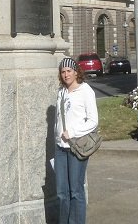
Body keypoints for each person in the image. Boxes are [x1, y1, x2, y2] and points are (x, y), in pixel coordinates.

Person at [55, 56, 98, 224]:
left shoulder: (86, 91)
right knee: (61, 193)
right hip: (60, 148)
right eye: (63, 72)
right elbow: (58, 121)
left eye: (69, 71)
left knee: (76, 191)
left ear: (76, 72)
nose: (66, 75)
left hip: (77, 147)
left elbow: (93, 121)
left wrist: (72, 132)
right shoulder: (61, 92)